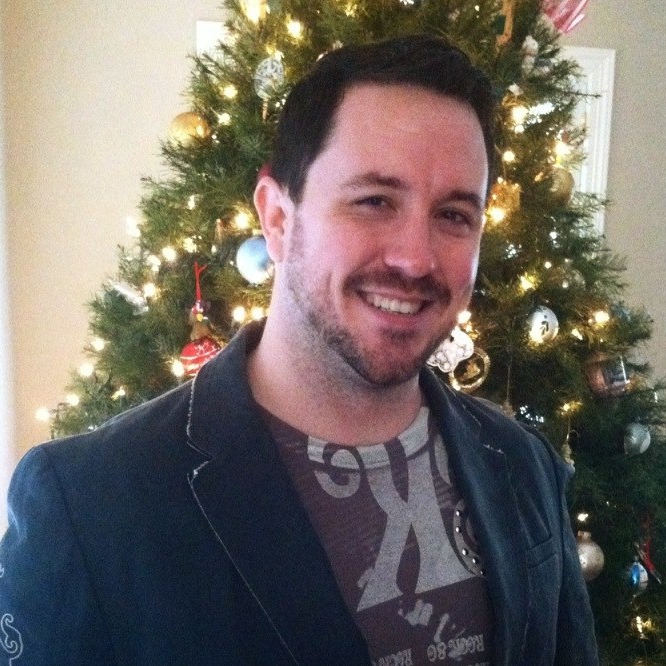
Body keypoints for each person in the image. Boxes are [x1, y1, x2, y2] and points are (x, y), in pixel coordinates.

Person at [0, 35, 598, 665]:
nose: (416, 259)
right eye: (374, 201)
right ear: (278, 219)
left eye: (453, 215)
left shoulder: (523, 465)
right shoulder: (92, 504)